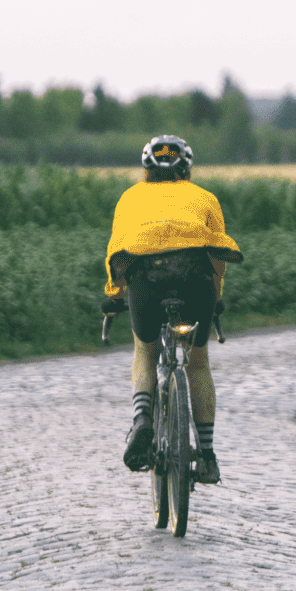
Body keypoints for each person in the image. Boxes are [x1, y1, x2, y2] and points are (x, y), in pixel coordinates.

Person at [102, 135, 242, 485]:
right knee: (197, 361)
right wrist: (215, 298)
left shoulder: (130, 198)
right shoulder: (204, 198)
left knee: (145, 351)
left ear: (147, 169)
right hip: (197, 282)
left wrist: (116, 296)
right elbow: (215, 258)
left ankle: (143, 419)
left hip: (146, 284)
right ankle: (207, 456)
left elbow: (119, 251)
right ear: (187, 168)